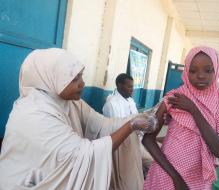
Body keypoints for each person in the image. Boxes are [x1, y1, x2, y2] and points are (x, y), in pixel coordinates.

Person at [0, 48, 157, 190]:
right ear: (51, 78)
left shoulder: (69, 102)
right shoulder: (34, 115)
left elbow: (102, 125)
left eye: (81, 76)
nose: (82, 84)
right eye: (74, 79)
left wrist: (139, 118)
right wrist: (130, 125)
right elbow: (81, 157)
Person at [143, 46, 219, 190]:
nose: (201, 75)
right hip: (167, 174)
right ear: (186, 71)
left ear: (216, 71)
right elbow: (147, 139)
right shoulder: (175, 97)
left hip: (197, 179)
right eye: (193, 70)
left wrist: (193, 110)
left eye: (208, 70)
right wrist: (176, 179)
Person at [102, 73, 153, 190]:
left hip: (137, 138)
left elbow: (136, 118)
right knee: (151, 162)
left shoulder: (130, 101)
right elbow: (116, 128)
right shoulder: (111, 104)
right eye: (129, 87)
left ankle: (147, 182)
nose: (132, 90)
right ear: (119, 86)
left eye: (132, 86)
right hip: (124, 144)